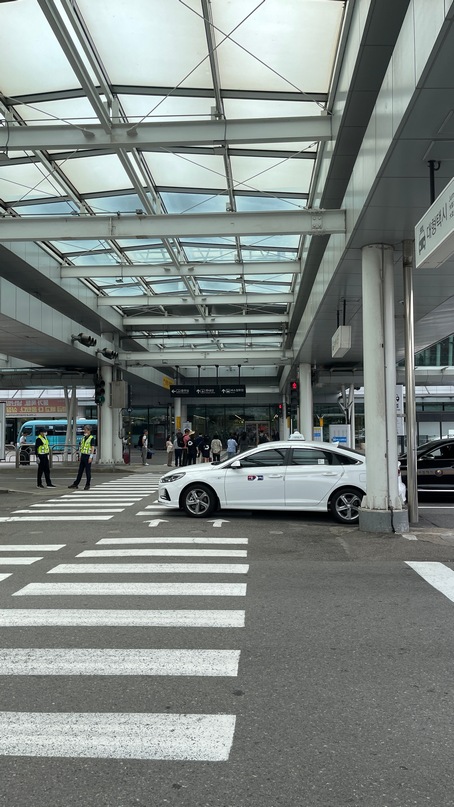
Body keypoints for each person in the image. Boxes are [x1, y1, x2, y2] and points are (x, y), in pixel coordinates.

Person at [68, 424, 96, 491]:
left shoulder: (92, 438)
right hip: (83, 455)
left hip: (88, 456)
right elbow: (81, 447)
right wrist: (80, 455)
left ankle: (87, 485)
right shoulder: (83, 438)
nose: (84, 431)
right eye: (84, 429)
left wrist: (91, 457)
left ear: (89, 430)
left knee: (87, 471)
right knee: (80, 471)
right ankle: (75, 484)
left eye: (85, 430)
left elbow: (92, 448)